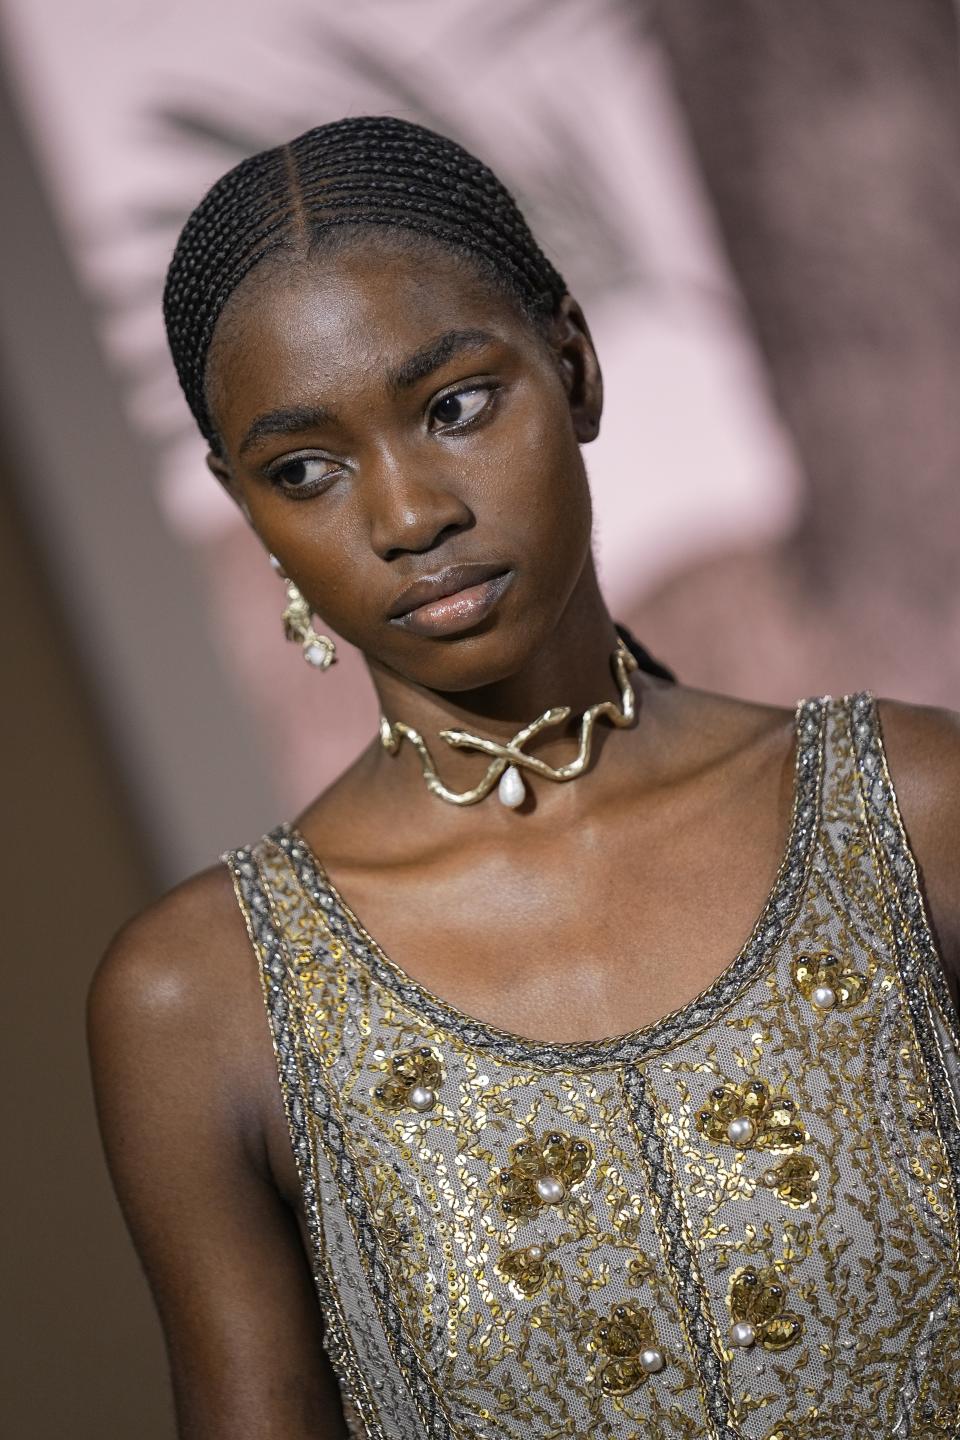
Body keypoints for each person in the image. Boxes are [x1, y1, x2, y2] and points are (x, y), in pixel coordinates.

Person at [88, 116, 960, 1440]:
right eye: (304, 470)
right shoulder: (202, 998)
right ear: (244, 507)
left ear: (576, 365)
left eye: (454, 406)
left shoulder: (913, 810)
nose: (407, 515)